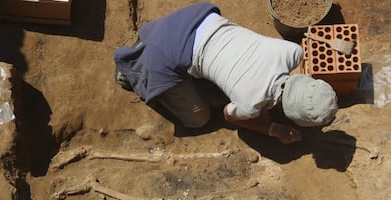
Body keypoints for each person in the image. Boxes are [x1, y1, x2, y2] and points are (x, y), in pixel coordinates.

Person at [114, 2, 338, 144]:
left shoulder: (292, 52)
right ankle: (133, 67)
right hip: (163, 57)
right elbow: (229, 115)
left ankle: (155, 40)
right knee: (198, 118)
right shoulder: (250, 103)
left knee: (216, 84)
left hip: (197, 18)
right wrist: (272, 128)